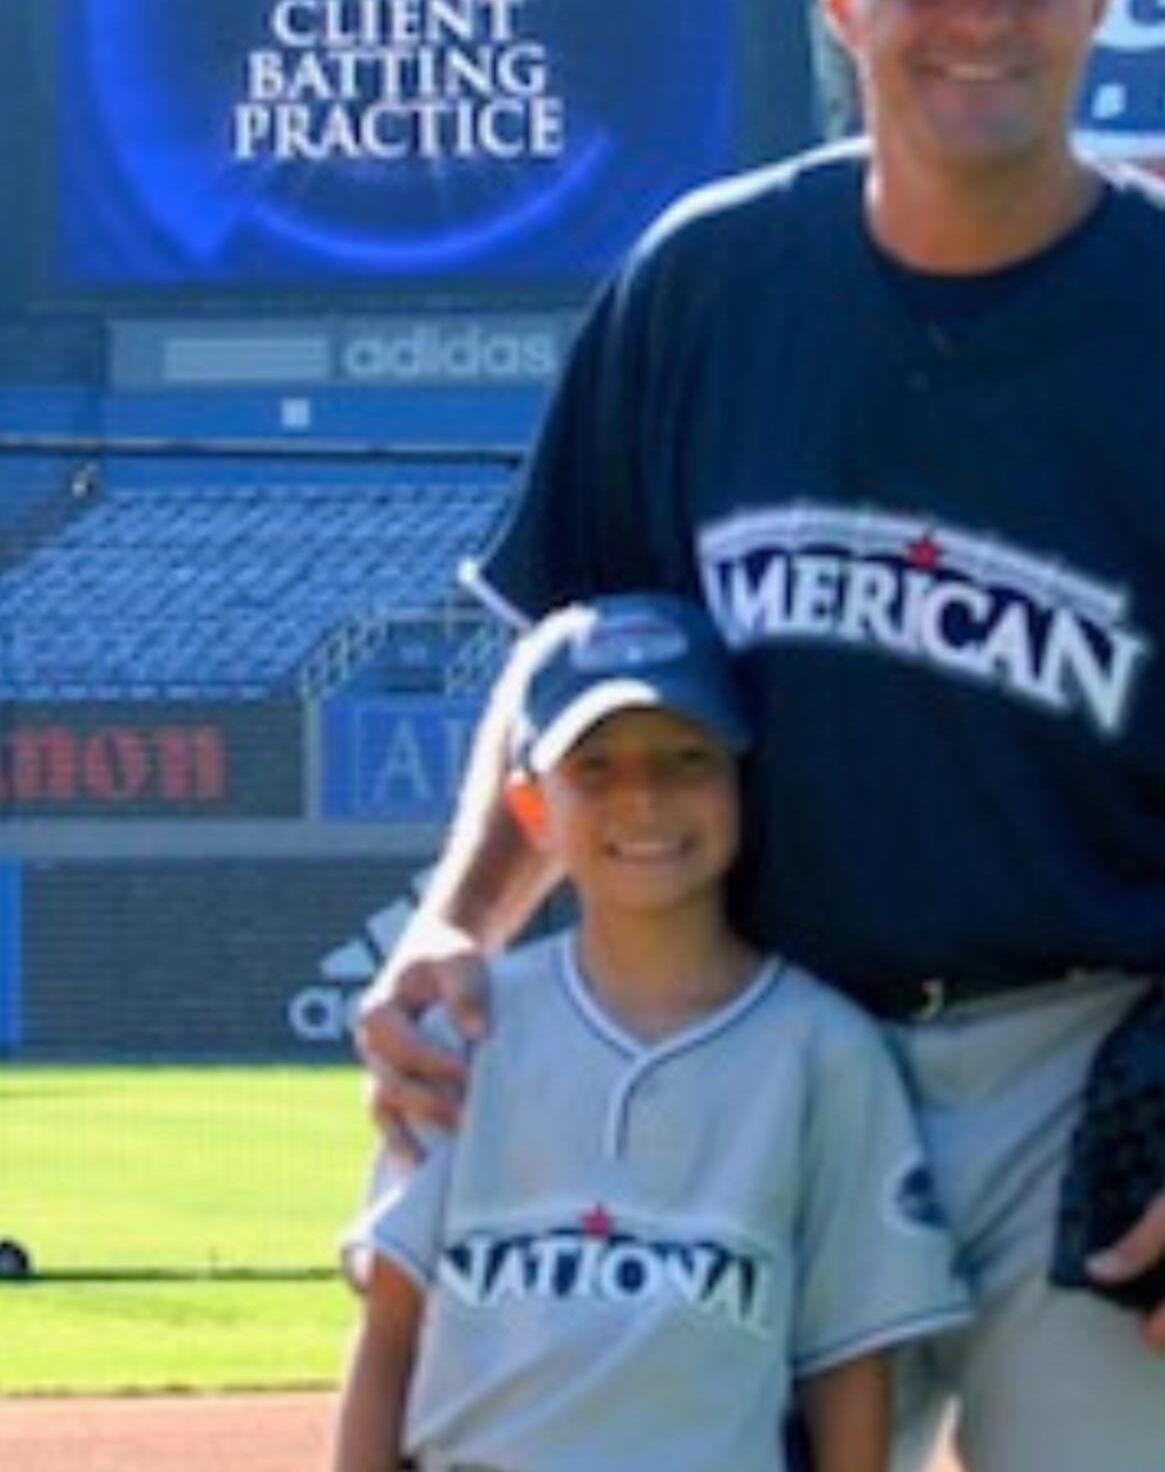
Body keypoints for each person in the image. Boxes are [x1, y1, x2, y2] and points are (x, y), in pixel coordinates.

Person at [354, 0, 1165, 1472]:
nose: (973, 16)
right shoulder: (706, 288)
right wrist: (456, 918)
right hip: (764, 1044)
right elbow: (572, 648)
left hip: (1088, 1060)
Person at [332, 593, 970, 1472]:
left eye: (687, 759)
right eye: (594, 766)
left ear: (744, 779)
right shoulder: (468, 1032)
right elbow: (393, 1336)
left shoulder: (822, 1052)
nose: (643, 798)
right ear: (532, 809)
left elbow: (848, 1366)